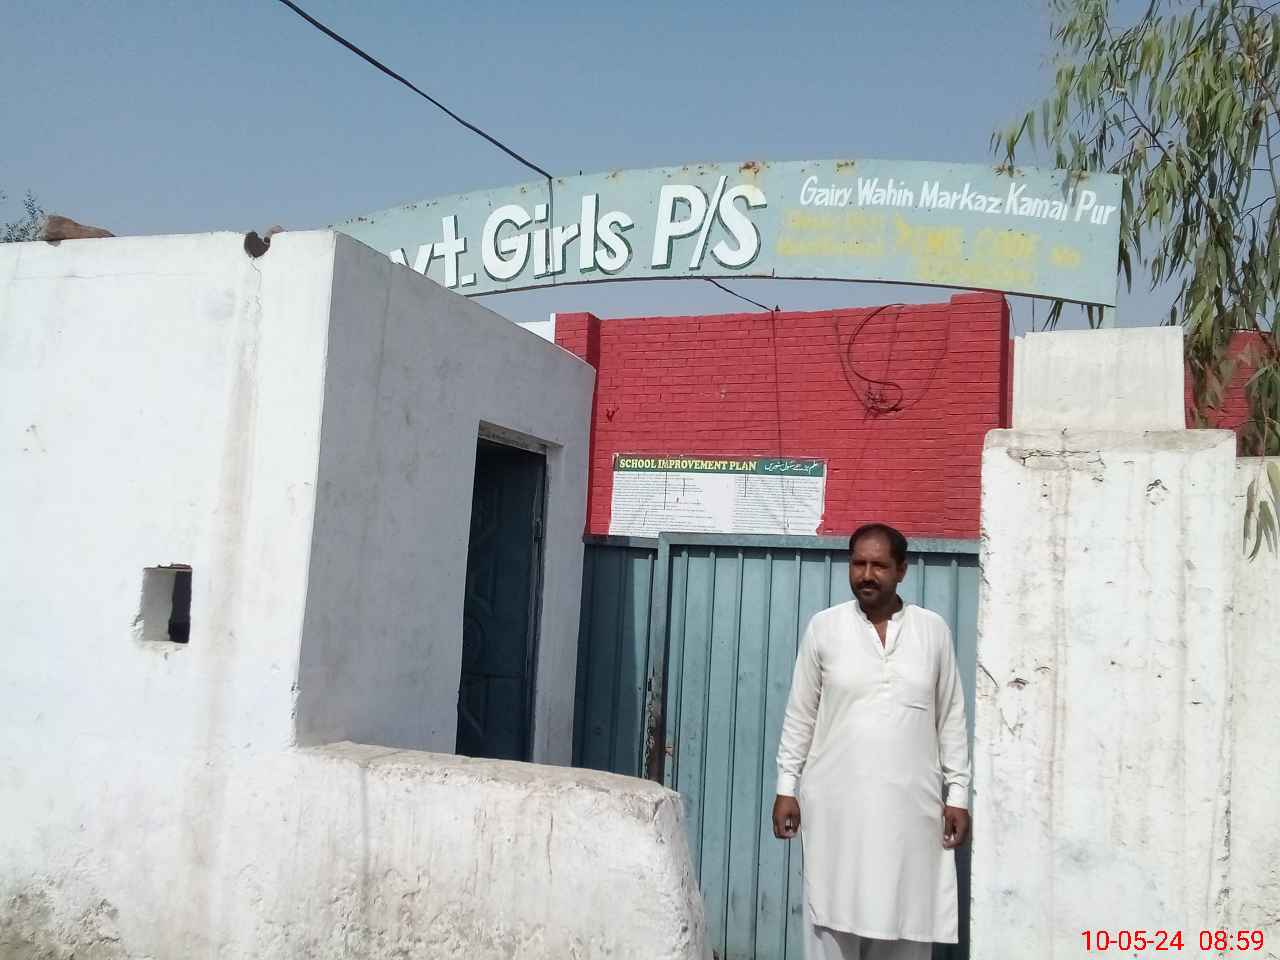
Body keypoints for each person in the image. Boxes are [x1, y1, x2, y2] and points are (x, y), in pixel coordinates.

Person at [772, 522, 971, 960]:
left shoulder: (932, 631)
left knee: (907, 919)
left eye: (878, 565)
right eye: (858, 563)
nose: (866, 574)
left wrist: (958, 794)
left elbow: (951, 718)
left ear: (902, 570)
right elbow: (800, 714)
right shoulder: (825, 628)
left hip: (911, 813)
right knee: (830, 917)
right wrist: (787, 787)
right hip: (837, 810)